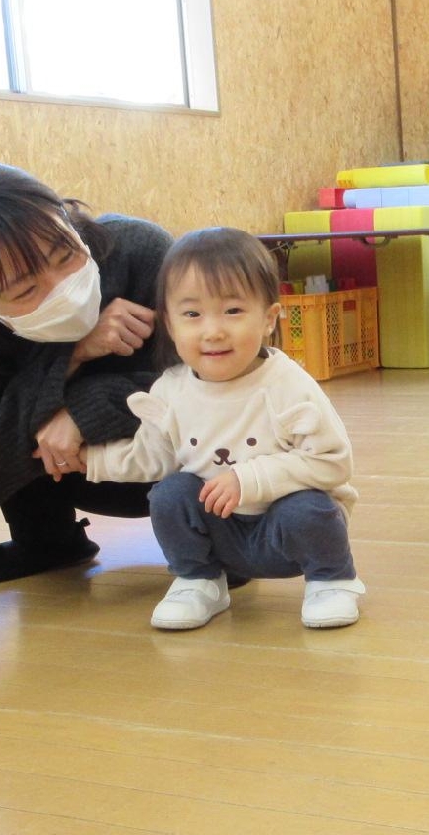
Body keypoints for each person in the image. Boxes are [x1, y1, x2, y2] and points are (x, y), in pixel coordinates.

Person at [71, 227, 365, 631]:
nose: (213, 331)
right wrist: (89, 460)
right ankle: (199, 581)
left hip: (285, 532)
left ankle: (332, 581)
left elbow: (333, 463)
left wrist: (247, 479)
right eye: (192, 314)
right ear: (170, 324)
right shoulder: (171, 389)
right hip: (220, 532)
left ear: (269, 319)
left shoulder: (287, 385)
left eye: (233, 311)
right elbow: (152, 456)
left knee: (308, 508)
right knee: (171, 493)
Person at [0, 160, 174, 586]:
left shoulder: (139, 250)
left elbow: (227, 387)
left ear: (66, 218)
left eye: (65, 254)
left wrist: (83, 410)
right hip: (62, 472)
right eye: (25, 290)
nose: (61, 287)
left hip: (175, 473)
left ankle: (218, 541)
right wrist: (70, 356)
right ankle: (46, 541)